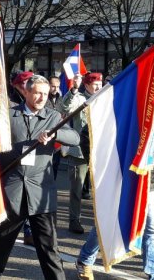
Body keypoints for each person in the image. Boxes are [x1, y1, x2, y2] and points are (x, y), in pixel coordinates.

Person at [0, 75, 80, 280]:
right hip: (11, 191)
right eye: (37, 93)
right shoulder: (8, 116)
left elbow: (75, 138)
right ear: (26, 92)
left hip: (41, 194)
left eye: (45, 94)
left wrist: (56, 135)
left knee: (49, 250)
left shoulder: (53, 117)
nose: (42, 97)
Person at [75, 120, 154, 280]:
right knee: (105, 223)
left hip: (145, 181)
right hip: (115, 179)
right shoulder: (113, 100)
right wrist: (98, 165)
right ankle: (85, 260)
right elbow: (86, 135)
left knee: (152, 229)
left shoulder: (152, 107)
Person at [59, 72, 102, 234]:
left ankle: (100, 220)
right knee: (77, 188)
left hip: (99, 149)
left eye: (100, 83)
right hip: (79, 150)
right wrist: (74, 89)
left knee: (100, 188)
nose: (98, 86)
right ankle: (74, 220)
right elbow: (63, 107)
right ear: (87, 84)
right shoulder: (79, 98)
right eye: (95, 83)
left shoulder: (105, 98)